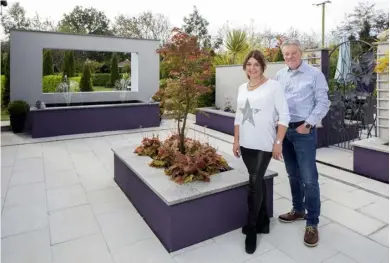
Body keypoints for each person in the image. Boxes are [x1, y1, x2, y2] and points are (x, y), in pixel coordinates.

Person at [233, 50, 290, 254]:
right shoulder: (242, 88)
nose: (252, 68)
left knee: (254, 182)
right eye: (249, 64)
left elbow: (284, 115)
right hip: (246, 142)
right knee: (257, 180)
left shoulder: (273, 86)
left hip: (265, 143)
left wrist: (278, 142)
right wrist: (236, 140)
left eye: (256, 64)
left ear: (263, 67)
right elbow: (239, 116)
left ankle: (252, 228)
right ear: (245, 67)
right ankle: (264, 221)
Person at [275, 39, 330, 247]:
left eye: (293, 53)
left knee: (309, 179)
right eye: (286, 54)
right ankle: (298, 209)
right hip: (285, 131)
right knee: (292, 174)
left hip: (303, 131)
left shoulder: (314, 75)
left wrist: (308, 124)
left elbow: (323, 102)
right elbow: (277, 103)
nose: (289, 57)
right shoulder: (280, 75)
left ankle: (312, 222)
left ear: (301, 53)